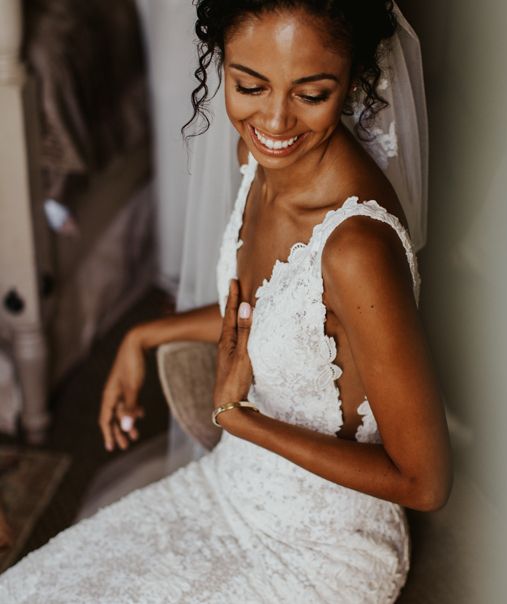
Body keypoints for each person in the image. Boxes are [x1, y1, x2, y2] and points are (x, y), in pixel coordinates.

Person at [0, 1, 451, 601]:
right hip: (227, 488)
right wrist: (144, 336)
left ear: (354, 83)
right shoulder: (257, 162)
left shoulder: (357, 250)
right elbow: (274, 316)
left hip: (321, 552)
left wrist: (240, 420)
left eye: (311, 94)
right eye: (248, 85)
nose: (275, 119)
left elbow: (424, 482)